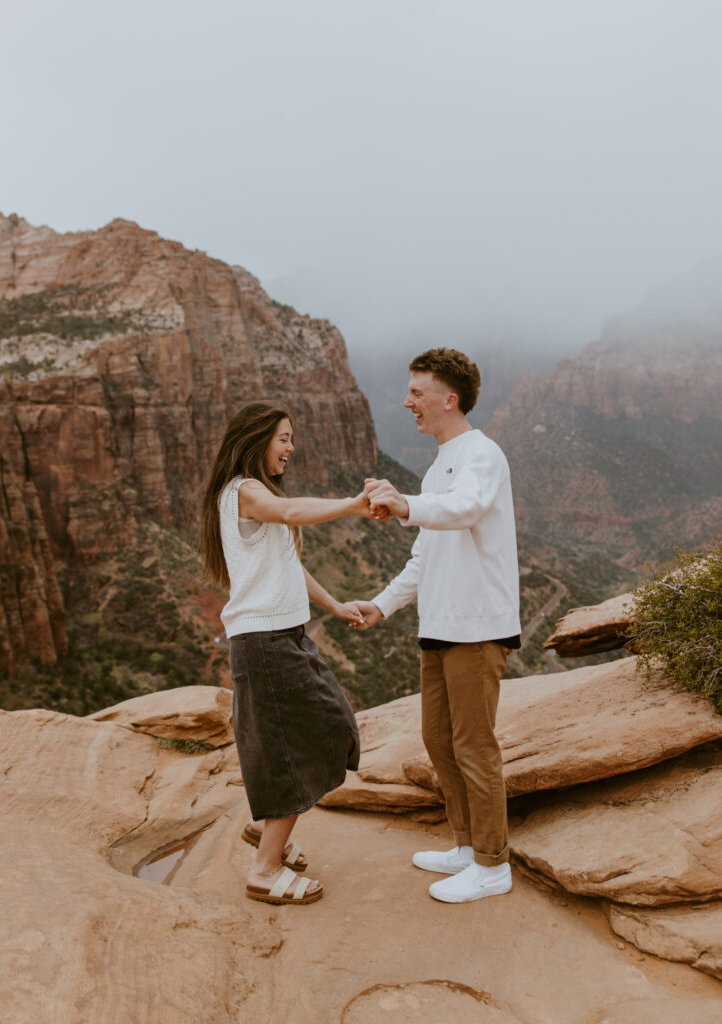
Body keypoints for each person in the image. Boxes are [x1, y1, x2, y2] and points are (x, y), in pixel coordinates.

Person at [353, 348, 521, 904]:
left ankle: (493, 865)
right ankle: (468, 847)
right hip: (441, 625)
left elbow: (464, 509)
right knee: (438, 739)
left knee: (474, 745)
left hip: (476, 628)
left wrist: (404, 504)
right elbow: (426, 556)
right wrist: (382, 604)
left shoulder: (481, 455)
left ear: (449, 399)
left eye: (417, 393)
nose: (407, 403)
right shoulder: (441, 461)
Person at [200, 402, 370, 906]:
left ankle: (266, 832)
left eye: (292, 438)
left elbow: (289, 564)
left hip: (285, 637)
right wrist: (353, 504)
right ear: (257, 441)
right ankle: (264, 870)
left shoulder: (258, 494)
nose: (291, 448)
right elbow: (294, 512)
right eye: (283, 438)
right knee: (297, 748)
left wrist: (336, 606)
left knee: (326, 730)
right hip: (265, 643)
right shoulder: (244, 492)